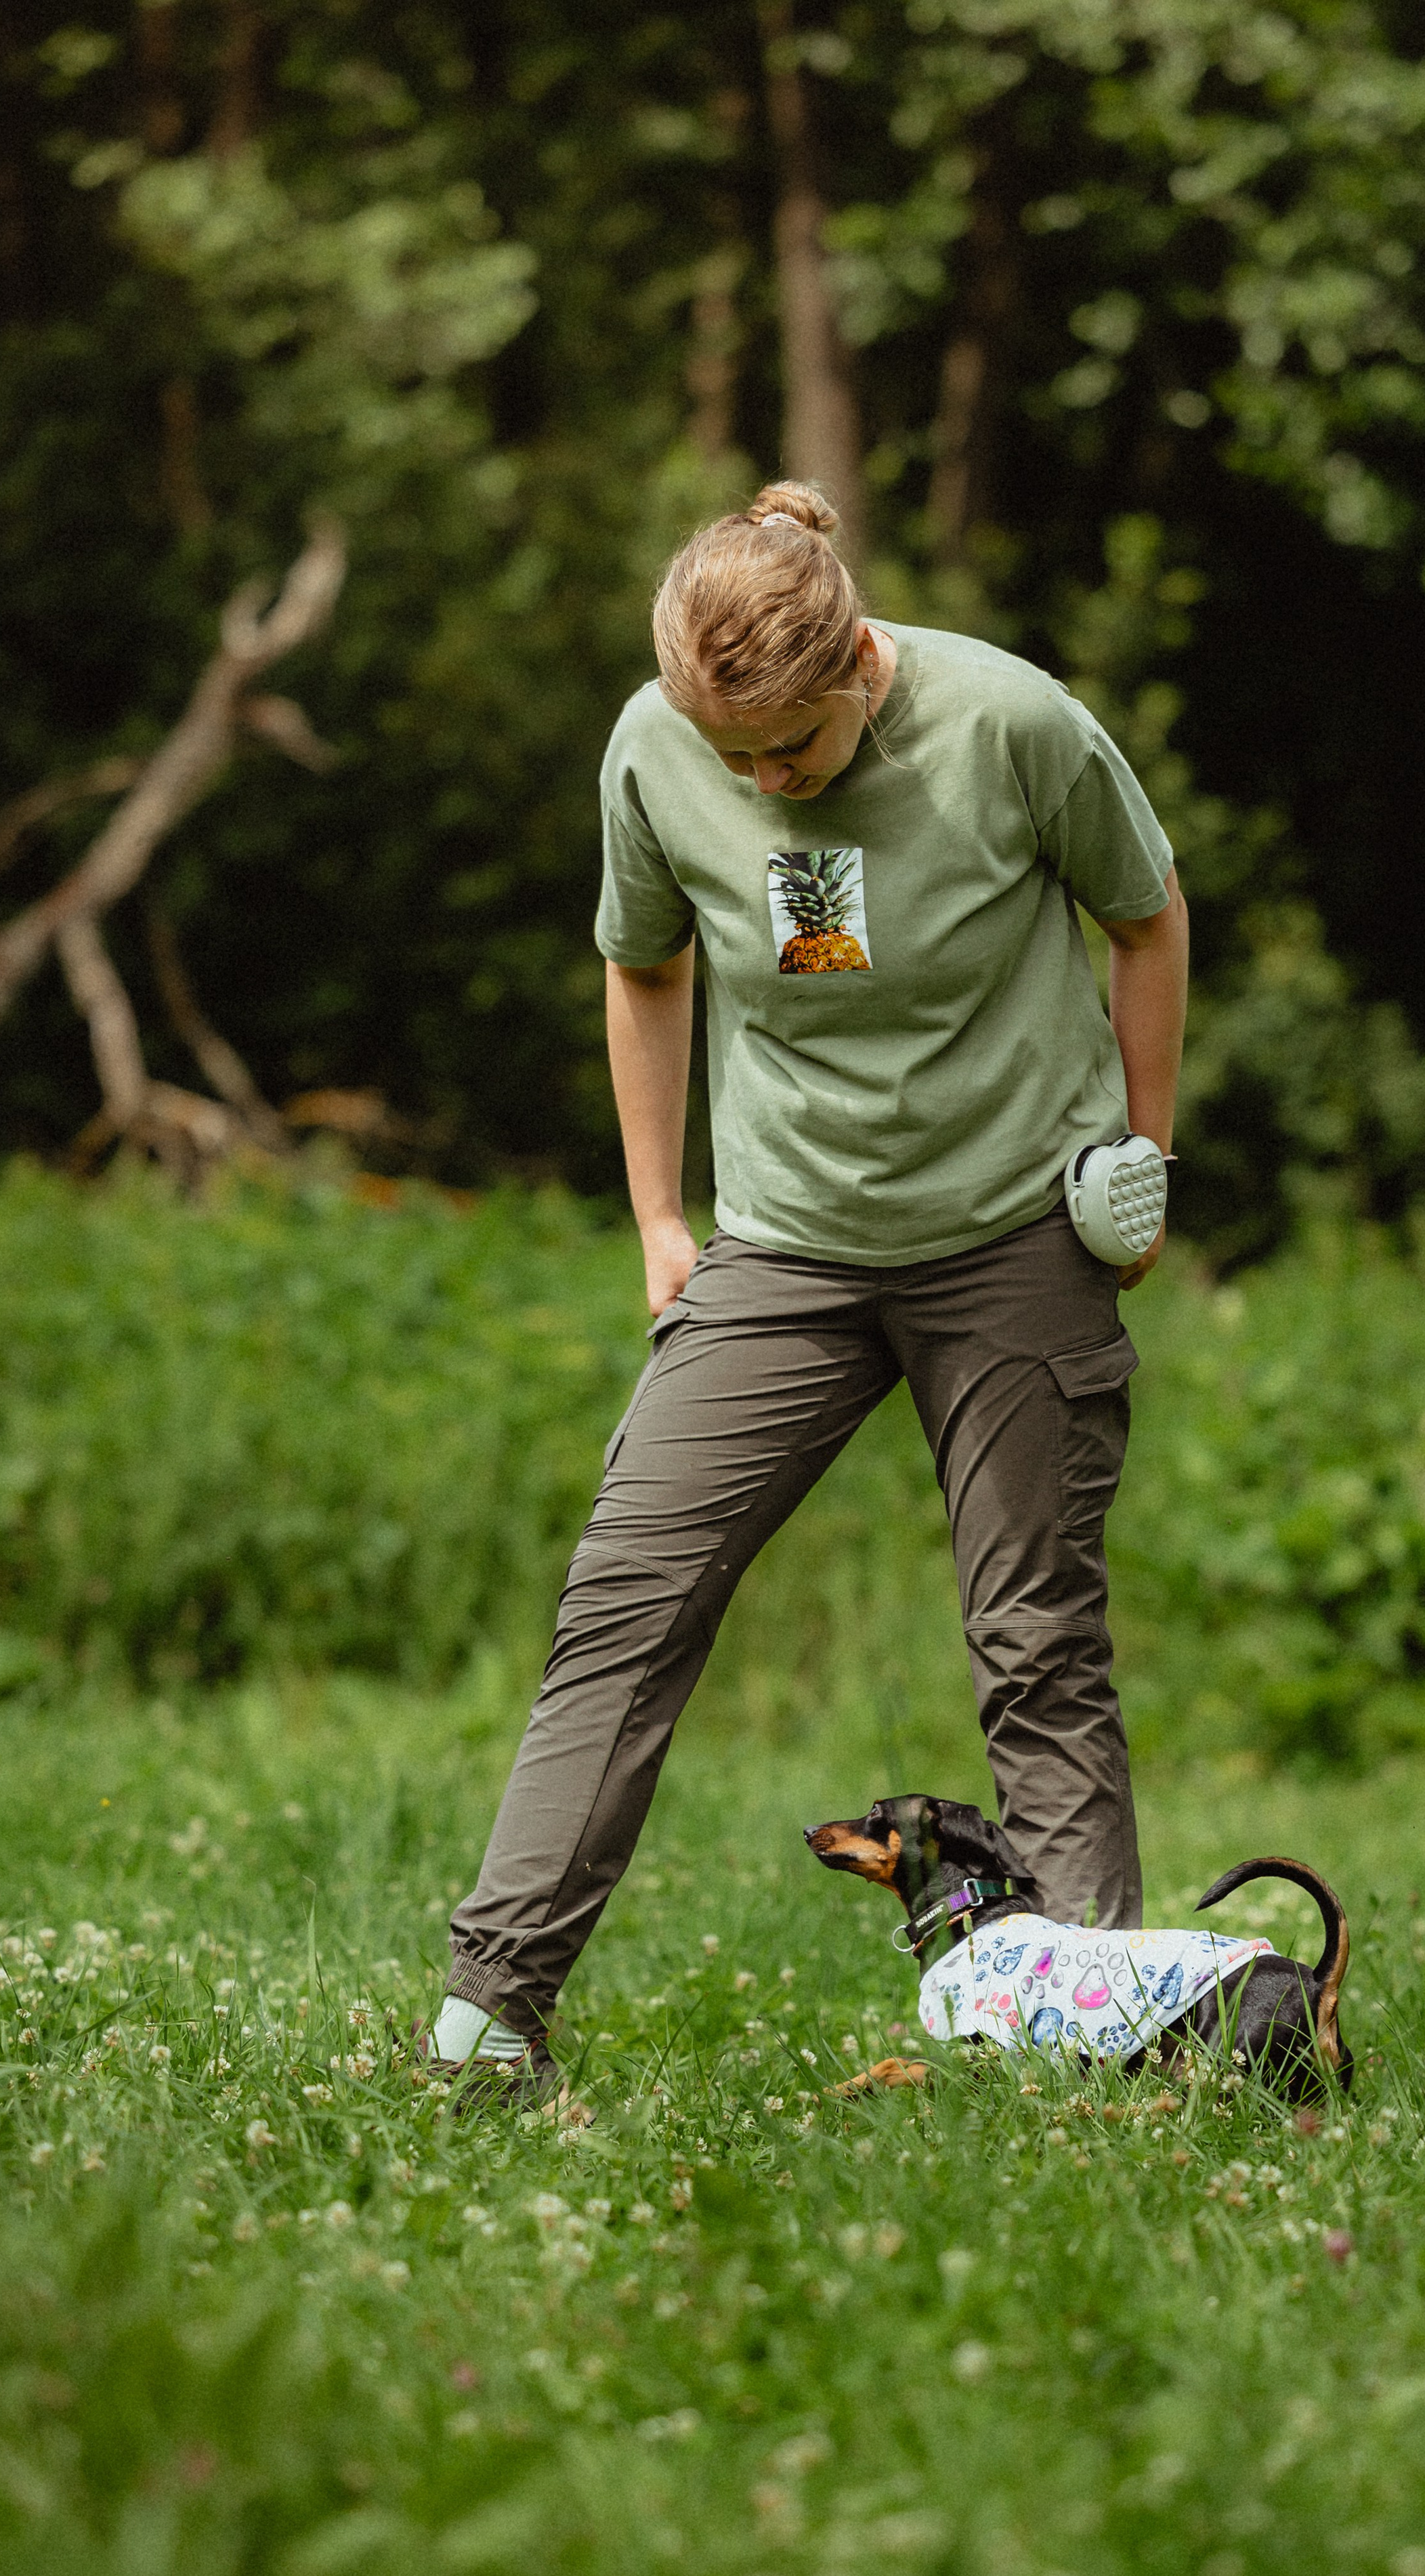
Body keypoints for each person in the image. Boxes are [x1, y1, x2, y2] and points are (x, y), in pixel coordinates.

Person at [427, 480, 1189, 2110]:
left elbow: (1144, 915)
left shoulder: (1012, 724)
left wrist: (1142, 1158)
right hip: (784, 1241)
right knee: (625, 1602)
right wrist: (656, 1215)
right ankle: (489, 2018)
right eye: (735, 759)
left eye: (793, 750)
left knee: (1034, 1641)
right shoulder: (653, 743)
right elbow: (643, 969)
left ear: (859, 658)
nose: (763, 784)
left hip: (1012, 1235)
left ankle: (1090, 2044)